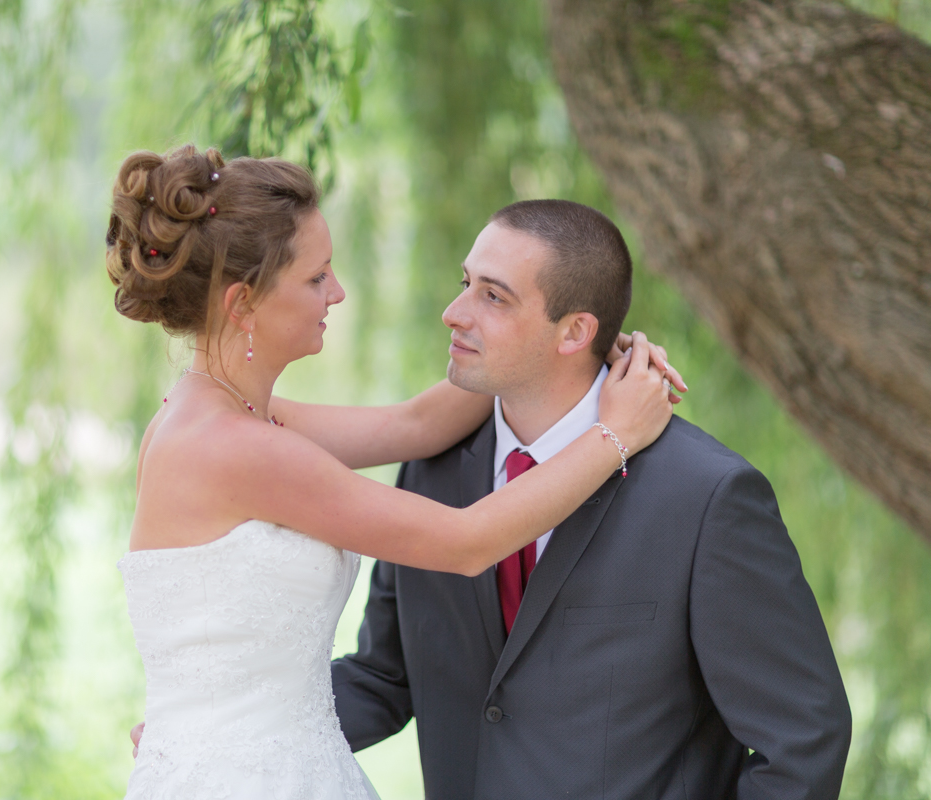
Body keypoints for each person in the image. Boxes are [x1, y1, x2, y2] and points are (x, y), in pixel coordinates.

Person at [107, 145, 677, 800]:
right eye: (317, 277)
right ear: (243, 302)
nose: (338, 291)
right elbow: (466, 544)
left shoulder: (228, 414)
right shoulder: (236, 449)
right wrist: (616, 434)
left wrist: (579, 347)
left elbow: (414, 426)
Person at [309, 200, 852, 798]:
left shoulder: (706, 498)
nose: (453, 312)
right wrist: (233, 722)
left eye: (494, 297)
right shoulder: (432, 470)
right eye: (466, 284)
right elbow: (384, 678)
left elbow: (803, 739)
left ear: (575, 331)